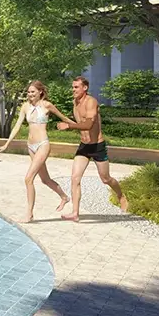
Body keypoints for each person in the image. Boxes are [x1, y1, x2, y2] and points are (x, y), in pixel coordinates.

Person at [0, 80, 71, 223]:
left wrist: (79, 126)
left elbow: (64, 118)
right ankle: (64, 197)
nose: (30, 94)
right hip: (30, 146)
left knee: (28, 178)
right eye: (28, 92)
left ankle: (29, 215)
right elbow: (17, 125)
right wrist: (6, 144)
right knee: (45, 179)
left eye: (33, 92)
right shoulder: (25, 106)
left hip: (43, 145)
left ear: (40, 92)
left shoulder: (47, 105)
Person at [58, 76, 130, 222]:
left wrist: (69, 126)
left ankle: (121, 196)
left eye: (76, 87)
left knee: (105, 178)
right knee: (75, 178)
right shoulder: (75, 102)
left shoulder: (91, 102)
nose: (73, 90)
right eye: (72, 87)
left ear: (85, 88)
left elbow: (88, 125)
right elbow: (80, 123)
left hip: (97, 146)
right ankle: (75, 212)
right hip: (84, 146)